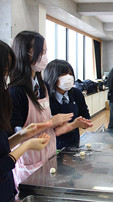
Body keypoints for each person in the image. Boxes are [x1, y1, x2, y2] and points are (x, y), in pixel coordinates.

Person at [9, 31, 89, 186]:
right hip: (30, 164)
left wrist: (72, 125)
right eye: (41, 52)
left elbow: (51, 132)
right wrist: (50, 123)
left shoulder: (43, 87)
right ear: (25, 54)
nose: (44, 56)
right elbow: (17, 136)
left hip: (50, 157)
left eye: (45, 52)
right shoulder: (16, 91)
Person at [0, 40, 52, 202]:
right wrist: (27, 145)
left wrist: (23, 135)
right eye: (5, 72)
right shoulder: (16, 92)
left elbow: (2, 147)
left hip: (8, 186)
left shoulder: (42, 86)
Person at [43, 59, 93, 149]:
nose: (68, 77)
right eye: (63, 74)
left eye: (70, 74)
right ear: (52, 76)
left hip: (74, 143)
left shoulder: (76, 93)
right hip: (52, 146)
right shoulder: (45, 97)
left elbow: (86, 116)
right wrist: (72, 125)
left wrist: (83, 123)